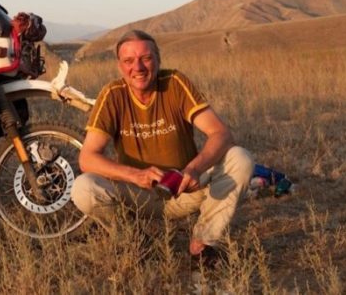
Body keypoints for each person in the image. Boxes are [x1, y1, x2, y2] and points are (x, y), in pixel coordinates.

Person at [70, 30, 254, 264]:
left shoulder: (174, 83)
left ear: (158, 60)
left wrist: (195, 169)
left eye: (146, 58)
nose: (138, 68)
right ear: (120, 66)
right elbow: (87, 158)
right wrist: (135, 175)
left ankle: (204, 244)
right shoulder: (112, 94)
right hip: (137, 195)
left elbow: (221, 134)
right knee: (83, 187)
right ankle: (134, 240)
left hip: (184, 188)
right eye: (129, 61)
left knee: (240, 158)